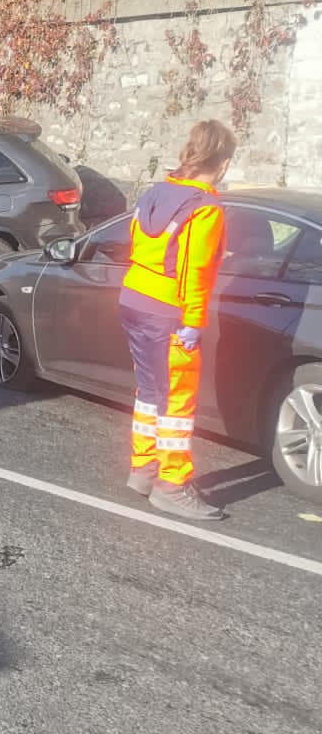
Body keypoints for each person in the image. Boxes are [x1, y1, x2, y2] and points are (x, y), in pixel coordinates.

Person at [119, 120, 236, 521]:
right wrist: (194, 321)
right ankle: (171, 483)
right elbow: (197, 270)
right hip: (170, 311)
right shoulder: (206, 208)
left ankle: (144, 469)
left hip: (134, 299)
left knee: (150, 391)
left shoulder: (156, 192)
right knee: (175, 403)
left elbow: (136, 243)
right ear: (221, 164)